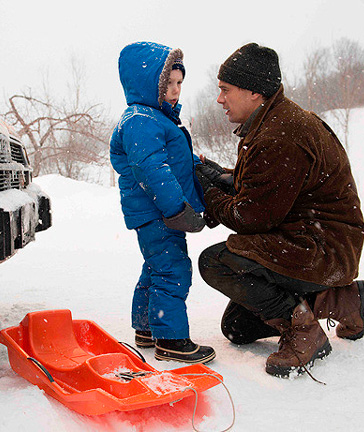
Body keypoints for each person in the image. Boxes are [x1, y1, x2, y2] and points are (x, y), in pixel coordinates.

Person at [195, 43, 364, 378]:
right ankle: (343, 300)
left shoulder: (281, 134)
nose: (220, 99)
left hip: (324, 246)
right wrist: (221, 176)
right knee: (238, 328)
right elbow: (267, 186)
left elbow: (251, 217)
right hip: (305, 239)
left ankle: (304, 332)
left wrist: (208, 193)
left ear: (253, 92)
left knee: (216, 262)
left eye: (225, 90)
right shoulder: (274, 122)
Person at [110, 41, 215, 364]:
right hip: (159, 212)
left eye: (179, 83)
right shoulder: (142, 119)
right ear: (146, 84)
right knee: (173, 269)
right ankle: (171, 339)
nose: (175, 90)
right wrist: (177, 209)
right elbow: (151, 169)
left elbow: (173, 161)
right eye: (167, 83)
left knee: (156, 266)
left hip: (157, 212)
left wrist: (204, 169)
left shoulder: (156, 119)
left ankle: (147, 328)